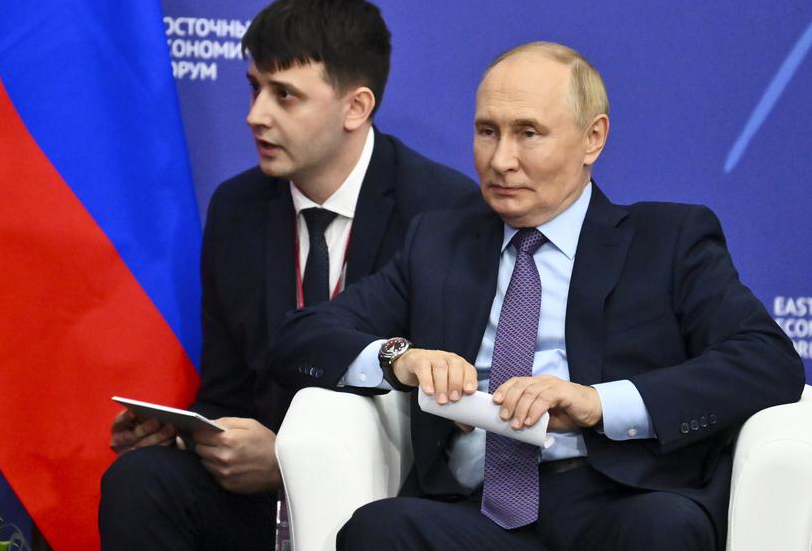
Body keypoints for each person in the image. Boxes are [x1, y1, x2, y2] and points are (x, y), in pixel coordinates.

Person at [269, 41, 806, 551]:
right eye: (487, 131)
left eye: (528, 133)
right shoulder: (437, 244)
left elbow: (765, 360)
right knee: (378, 529)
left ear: (592, 138)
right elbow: (301, 336)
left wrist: (599, 404)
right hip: (474, 510)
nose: (501, 159)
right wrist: (401, 360)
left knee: (664, 528)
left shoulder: (669, 240)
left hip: (620, 501)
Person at [97, 0, 478, 550]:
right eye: (254, 88)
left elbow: (447, 415)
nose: (256, 115)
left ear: (356, 106)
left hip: (389, 497)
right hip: (260, 503)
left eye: (284, 95)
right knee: (141, 481)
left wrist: (287, 457)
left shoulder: (445, 211)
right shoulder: (237, 208)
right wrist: (186, 435)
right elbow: (228, 393)